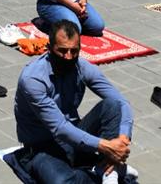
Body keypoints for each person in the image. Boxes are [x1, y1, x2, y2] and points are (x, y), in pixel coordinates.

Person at [13, 19, 135, 184]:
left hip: (75, 137)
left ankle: (109, 169)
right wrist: (105, 146)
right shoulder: (33, 79)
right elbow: (60, 128)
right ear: (49, 49)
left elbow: (122, 102)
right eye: (62, 51)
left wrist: (122, 139)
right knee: (62, 181)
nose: (68, 57)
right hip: (42, 148)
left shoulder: (81, 67)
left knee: (112, 105)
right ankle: (99, 170)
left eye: (74, 51)